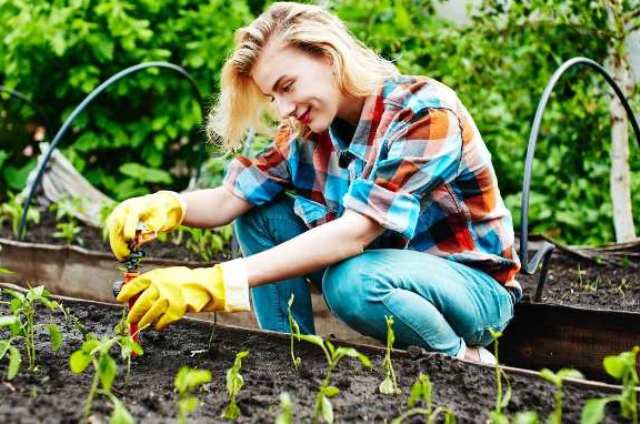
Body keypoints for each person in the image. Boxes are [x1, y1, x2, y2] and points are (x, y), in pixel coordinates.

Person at [107, 1, 522, 364]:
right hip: (384, 274)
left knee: (352, 282)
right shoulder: (306, 130)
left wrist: (217, 281)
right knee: (258, 215)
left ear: (328, 57)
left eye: (287, 86)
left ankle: (463, 360)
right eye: (273, 97)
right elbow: (231, 198)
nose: (285, 108)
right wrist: (166, 206)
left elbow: (355, 234)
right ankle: (287, 353)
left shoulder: (423, 113)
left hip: (474, 293)